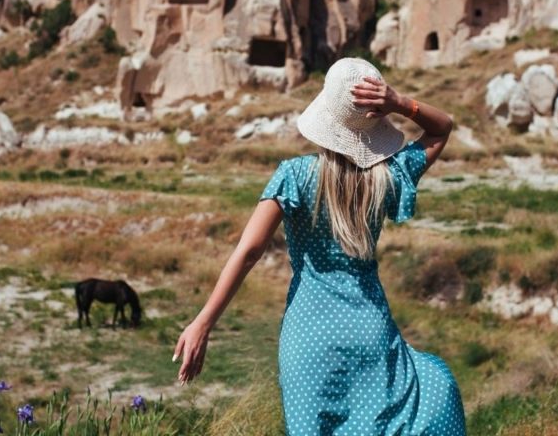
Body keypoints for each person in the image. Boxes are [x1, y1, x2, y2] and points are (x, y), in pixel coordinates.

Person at [174, 58, 466, 434]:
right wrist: (399, 103)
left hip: (309, 338)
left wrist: (203, 323)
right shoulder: (389, 176)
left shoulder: (294, 176)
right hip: (369, 331)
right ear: (375, 119)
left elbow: (249, 252)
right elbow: (442, 128)